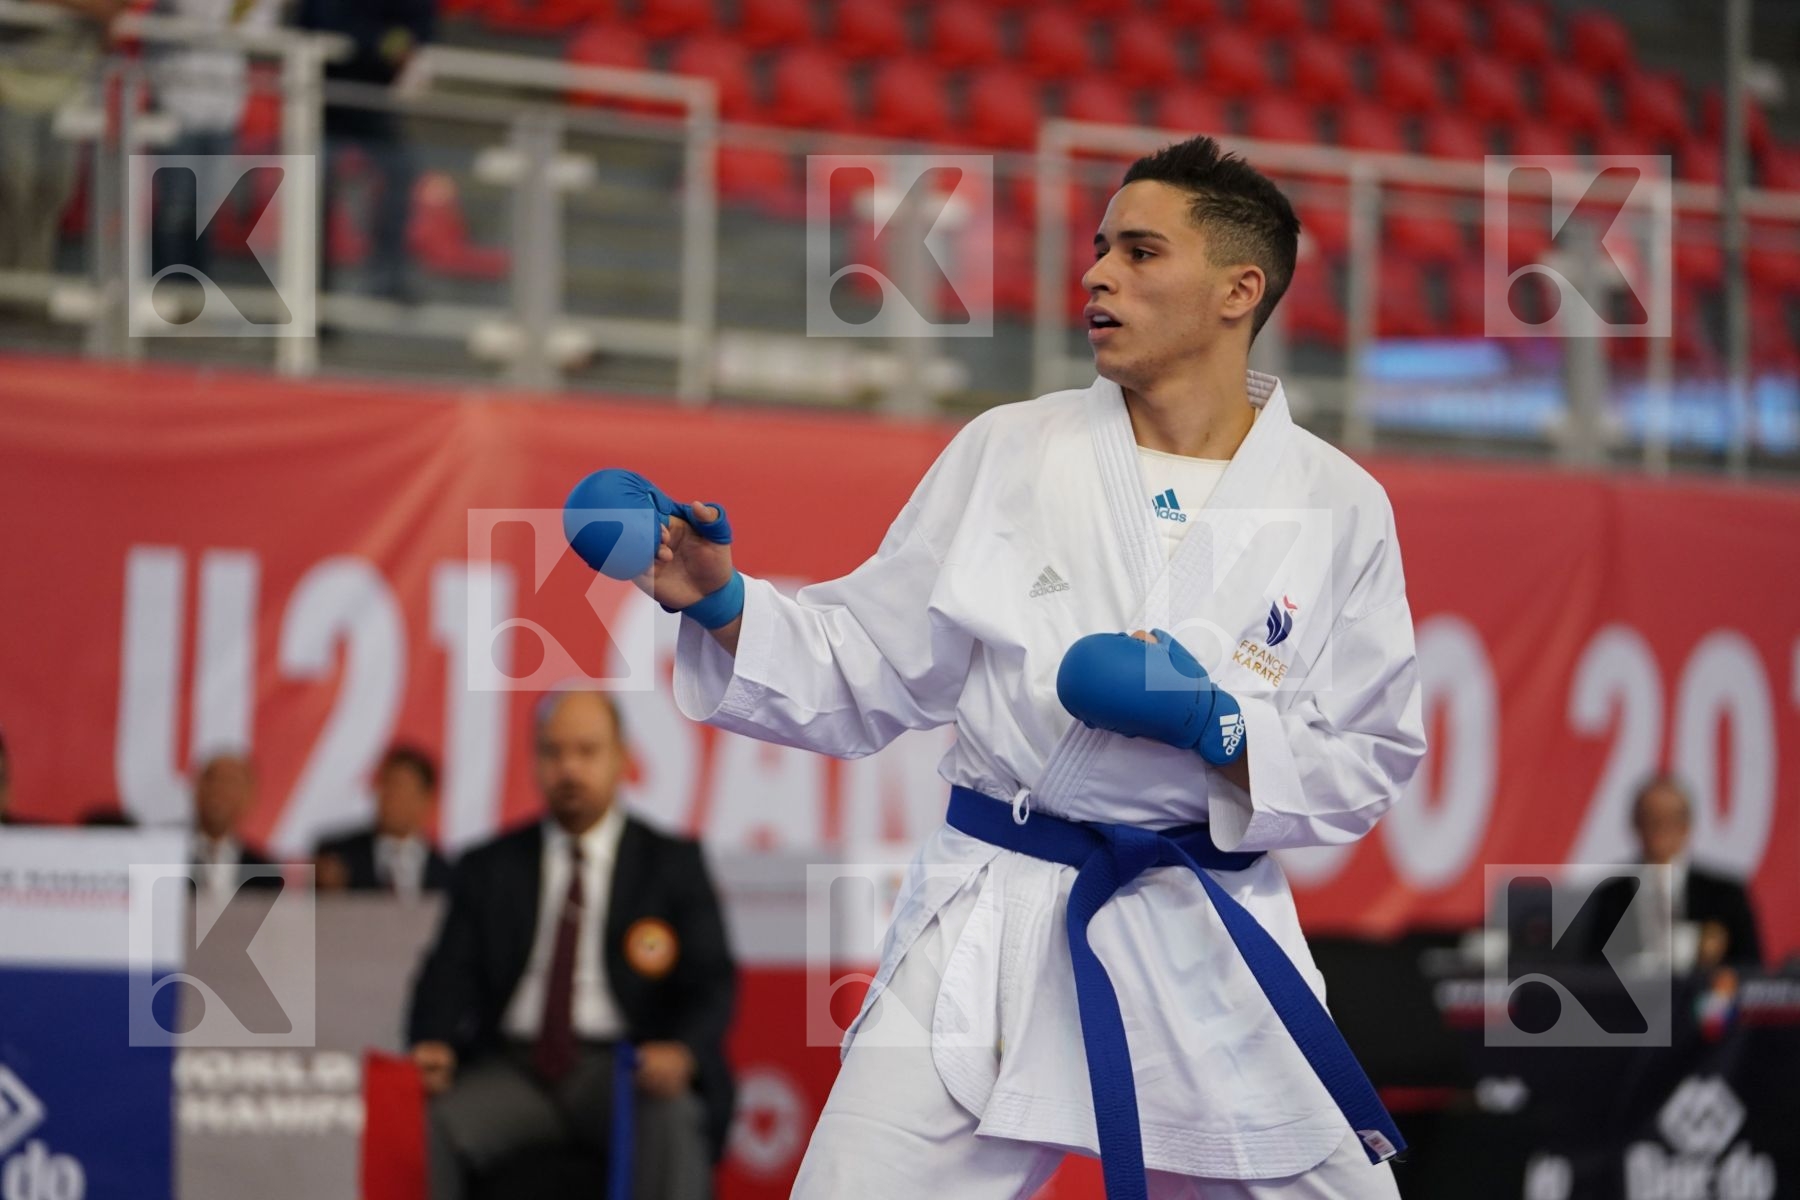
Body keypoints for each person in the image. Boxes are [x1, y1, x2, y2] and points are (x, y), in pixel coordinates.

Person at [628, 136, 1424, 1199]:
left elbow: (1371, 756)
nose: (1097, 274)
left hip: (1203, 930)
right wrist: (726, 605)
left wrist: (1220, 731)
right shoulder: (1011, 451)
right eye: (1101, 249)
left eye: (1142, 253)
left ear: (1242, 289)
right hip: (994, 915)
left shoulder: (1339, 504)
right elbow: (869, 662)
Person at [407, 691, 736, 1200]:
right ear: (534, 759)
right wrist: (432, 1040)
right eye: (552, 752)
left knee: (670, 1116)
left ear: (622, 758)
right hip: (513, 1069)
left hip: (623, 1070)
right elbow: (448, 971)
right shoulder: (490, 866)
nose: (569, 769)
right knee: (430, 1125)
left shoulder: (669, 863)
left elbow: (712, 980)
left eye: (587, 751)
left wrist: (684, 1051)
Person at [292, 0, 433, 302]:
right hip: (320, 100)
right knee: (311, 191)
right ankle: (310, 291)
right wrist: (382, 43)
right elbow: (319, 21)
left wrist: (386, 44)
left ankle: (386, 281)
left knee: (401, 172)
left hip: (375, 102)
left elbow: (421, 27)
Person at [1586, 773, 1763, 970]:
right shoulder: (1609, 896)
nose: (1660, 827)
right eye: (1650, 817)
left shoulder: (1725, 896)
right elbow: (1591, 972)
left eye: (1671, 818)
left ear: (1687, 825)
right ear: (1635, 823)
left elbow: (1752, 972)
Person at [0, 0, 120, 271]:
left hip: (64, 90)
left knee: (52, 194)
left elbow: (118, 8)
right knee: (12, 194)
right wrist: (96, 9)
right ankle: (11, 294)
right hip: (10, 87)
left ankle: (33, 292)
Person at [314, 743, 452, 896]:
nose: (388, 798)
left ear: (426, 800)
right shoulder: (337, 858)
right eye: (384, 785)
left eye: (400, 788)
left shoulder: (447, 873)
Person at [190, 752, 281, 893]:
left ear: (248, 797)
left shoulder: (265, 873)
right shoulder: (167, 856)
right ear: (197, 788)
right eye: (213, 779)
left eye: (231, 783)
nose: (220, 791)